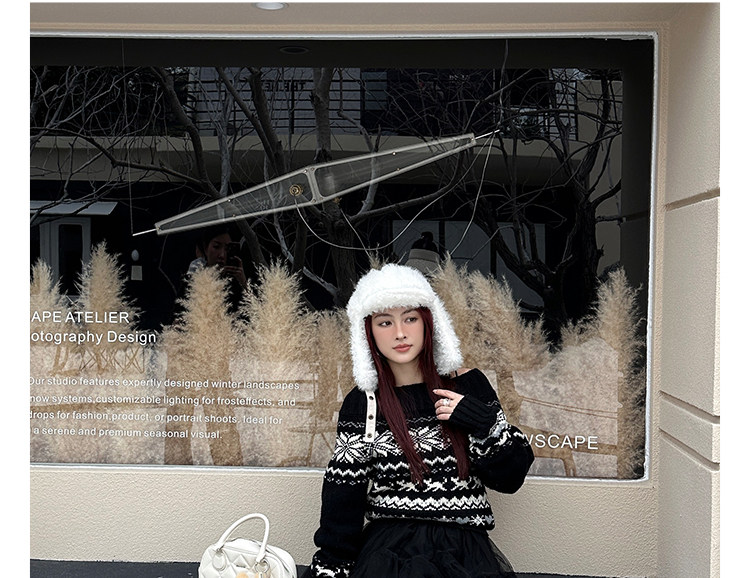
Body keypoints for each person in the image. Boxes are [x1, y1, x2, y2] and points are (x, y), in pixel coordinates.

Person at [305, 263, 534, 578]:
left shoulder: (468, 385)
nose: (400, 333)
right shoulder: (363, 404)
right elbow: (344, 492)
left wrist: (483, 423)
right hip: (390, 553)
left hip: (464, 552)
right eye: (385, 322)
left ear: (429, 321)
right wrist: (332, 563)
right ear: (368, 332)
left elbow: (511, 479)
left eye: (410, 318)